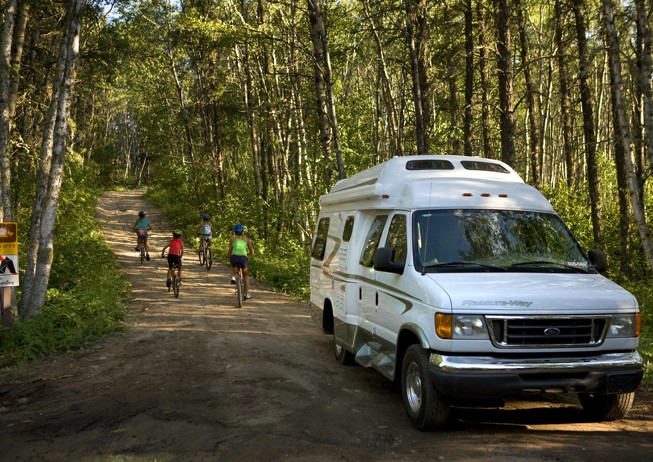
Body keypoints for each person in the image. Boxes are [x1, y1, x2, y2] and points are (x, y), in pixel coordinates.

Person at [227, 224, 254, 299]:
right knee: (245, 276)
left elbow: (230, 250)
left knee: (232, 266)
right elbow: (252, 250)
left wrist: (228, 255)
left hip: (234, 257)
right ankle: (246, 294)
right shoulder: (246, 239)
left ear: (234, 232)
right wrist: (250, 254)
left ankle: (233, 278)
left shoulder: (232, 239)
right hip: (243, 258)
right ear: (242, 231)